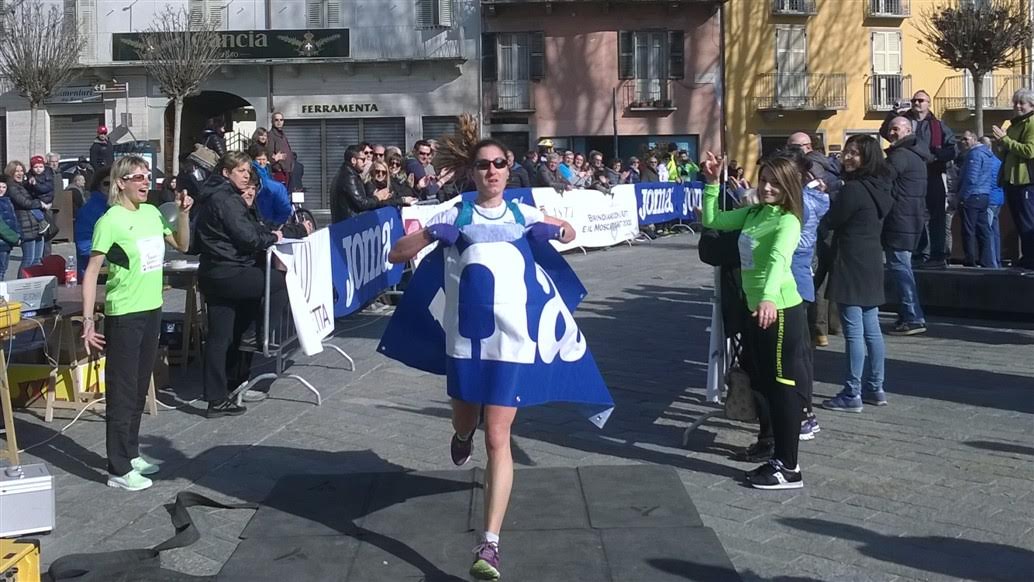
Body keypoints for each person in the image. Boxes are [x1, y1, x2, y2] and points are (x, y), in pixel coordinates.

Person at [386, 137, 576, 581]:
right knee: (466, 423)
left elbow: (570, 230)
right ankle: (460, 433)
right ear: (472, 172)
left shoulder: (522, 212)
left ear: (509, 170)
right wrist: (431, 234)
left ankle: (489, 544)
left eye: (499, 164)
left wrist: (555, 231)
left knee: (498, 438)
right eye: (483, 165)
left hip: (512, 343)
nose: (491, 171)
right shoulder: (456, 211)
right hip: (466, 344)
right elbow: (396, 253)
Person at [81, 155, 192, 491]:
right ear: (121, 183)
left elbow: (183, 245)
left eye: (148, 177)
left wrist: (184, 213)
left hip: (152, 308)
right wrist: (88, 321)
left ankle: (131, 453)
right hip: (124, 313)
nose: (146, 183)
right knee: (123, 390)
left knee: (141, 385)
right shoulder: (110, 220)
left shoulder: (152, 213)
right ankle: (117, 468)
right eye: (138, 178)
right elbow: (90, 273)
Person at [700, 152, 810, 491]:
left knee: (782, 388)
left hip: (778, 310)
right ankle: (778, 457)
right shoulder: (754, 213)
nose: (767, 188)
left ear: (789, 186)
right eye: (764, 180)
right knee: (764, 386)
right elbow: (714, 220)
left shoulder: (787, 221)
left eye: (776, 183)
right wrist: (711, 184)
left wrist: (767, 297)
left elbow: (779, 259)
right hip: (757, 311)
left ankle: (789, 467)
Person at [192, 152, 308, 417]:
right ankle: (259, 333)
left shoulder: (217, 196)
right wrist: (275, 236)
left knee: (220, 336)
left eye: (248, 171)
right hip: (229, 271)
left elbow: (250, 230)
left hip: (216, 272)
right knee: (280, 281)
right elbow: (248, 237)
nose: (247, 175)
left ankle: (218, 396)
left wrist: (268, 234)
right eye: (241, 171)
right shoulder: (225, 198)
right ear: (226, 173)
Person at [821, 135, 893, 413]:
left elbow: (832, 220)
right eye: (846, 152)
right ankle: (875, 387)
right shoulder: (880, 187)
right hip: (872, 261)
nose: (847, 157)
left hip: (850, 262)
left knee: (854, 333)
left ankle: (852, 392)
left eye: (854, 154)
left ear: (867, 158)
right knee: (872, 330)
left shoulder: (853, 190)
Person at [881, 90, 956, 268]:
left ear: (928, 103)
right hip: (909, 174)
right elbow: (886, 131)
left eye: (921, 100)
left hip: (932, 173)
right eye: (914, 100)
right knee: (914, 213)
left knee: (937, 215)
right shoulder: (903, 121)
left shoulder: (938, 125)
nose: (916, 103)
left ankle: (938, 254)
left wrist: (938, 156)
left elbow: (953, 148)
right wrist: (893, 113)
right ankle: (919, 252)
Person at [883, 117, 930, 336]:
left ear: (908, 130)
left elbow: (883, 180)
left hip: (899, 218)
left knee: (900, 268)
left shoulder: (900, 156)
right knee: (903, 266)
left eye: (896, 129)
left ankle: (912, 316)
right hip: (911, 217)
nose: (891, 133)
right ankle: (908, 315)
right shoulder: (916, 153)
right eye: (890, 129)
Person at [992, 88, 1034, 270]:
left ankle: (1031, 258)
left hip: (1027, 180)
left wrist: (1006, 140)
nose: (1017, 106)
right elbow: (1007, 154)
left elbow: (1029, 151)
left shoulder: (1031, 123)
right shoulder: (1015, 124)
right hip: (1012, 180)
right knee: (1018, 221)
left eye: (1021, 103)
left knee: (1028, 221)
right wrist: (1000, 145)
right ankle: (1026, 257)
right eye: (1015, 102)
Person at [956, 130, 996, 267]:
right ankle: (986, 260)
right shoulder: (988, 155)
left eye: (966, 139)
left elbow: (971, 178)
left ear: (974, 139)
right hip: (984, 195)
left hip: (972, 196)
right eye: (962, 139)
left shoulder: (974, 154)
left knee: (969, 230)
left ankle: (970, 259)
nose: (963, 142)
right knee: (983, 230)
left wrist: (963, 196)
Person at [5, 161, 48, 272]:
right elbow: (24, 202)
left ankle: (33, 283)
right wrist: (40, 204)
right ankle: (21, 285)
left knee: (37, 260)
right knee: (28, 259)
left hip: (35, 225)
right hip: (25, 226)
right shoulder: (12, 187)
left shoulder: (22, 185)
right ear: (11, 173)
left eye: (21, 170)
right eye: (16, 171)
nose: (20, 173)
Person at [332, 145, 391, 222]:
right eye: (363, 160)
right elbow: (362, 204)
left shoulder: (348, 174)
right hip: (349, 226)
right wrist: (378, 197)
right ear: (353, 160)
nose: (365, 162)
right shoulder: (349, 177)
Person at [74, 169, 112, 279]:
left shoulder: (119, 207)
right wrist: (113, 258)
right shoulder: (90, 209)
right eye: (106, 184)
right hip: (95, 274)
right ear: (98, 186)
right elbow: (84, 246)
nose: (111, 188)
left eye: (114, 183)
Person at [247, 144, 293, 225]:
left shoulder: (267, 168)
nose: (261, 162)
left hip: (270, 201)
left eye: (264, 159)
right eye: (259, 159)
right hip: (261, 202)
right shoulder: (253, 170)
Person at [981, 136, 1005, 268]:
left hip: (989, 199)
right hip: (999, 198)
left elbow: (987, 181)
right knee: (995, 231)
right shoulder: (998, 161)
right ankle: (997, 259)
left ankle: (991, 262)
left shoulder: (987, 161)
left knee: (988, 231)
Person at [26, 155, 54, 236]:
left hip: (45, 198)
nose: (38, 169)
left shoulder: (47, 175)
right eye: (36, 167)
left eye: (41, 166)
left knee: (34, 209)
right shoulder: (30, 175)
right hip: (38, 198)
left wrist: (35, 184)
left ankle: (43, 222)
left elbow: (45, 189)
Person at [0, 178, 21, 279]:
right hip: (2, 242)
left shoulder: (7, 200)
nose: (1, 189)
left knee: (3, 269)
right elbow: (2, 227)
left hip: (6, 242)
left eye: (4, 187)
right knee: (1, 270)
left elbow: (13, 220)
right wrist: (15, 238)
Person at [268, 112, 295, 187]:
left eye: (281, 120)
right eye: (276, 120)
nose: (279, 122)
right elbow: (270, 156)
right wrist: (278, 167)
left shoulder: (283, 135)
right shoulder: (271, 135)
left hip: (287, 172)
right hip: (279, 172)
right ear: (272, 121)